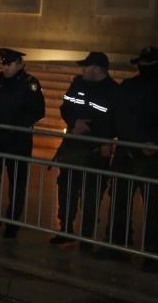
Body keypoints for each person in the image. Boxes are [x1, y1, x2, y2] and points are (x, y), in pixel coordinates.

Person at [101, 47, 158, 271]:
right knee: (119, 201)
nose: (141, 68)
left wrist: (157, 144)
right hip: (126, 153)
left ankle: (153, 251)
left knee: (154, 207)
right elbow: (114, 114)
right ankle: (117, 242)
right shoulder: (128, 87)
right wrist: (108, 139)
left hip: (154, 158)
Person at [50, 52, 118, 246]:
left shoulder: (114, 91)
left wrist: (95, 131)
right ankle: (65, 227)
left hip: (96, 149)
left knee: (92, 192)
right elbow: (66, 107)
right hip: (74, 146)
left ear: (96, 68)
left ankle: (87, 234)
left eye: (85, 66)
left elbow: (115, 121)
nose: (82, 70)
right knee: (67, 187)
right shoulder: (78, 84)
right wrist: (74, 122)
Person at [0, 48, 45, 238]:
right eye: (3, 64)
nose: (5, 67)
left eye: (9, 64)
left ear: (19, 65)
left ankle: (12, 222)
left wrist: (17, 126)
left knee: (16, 182)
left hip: (18, 141)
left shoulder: (30, 83)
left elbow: (38, 112)